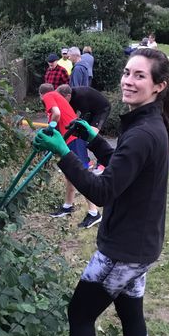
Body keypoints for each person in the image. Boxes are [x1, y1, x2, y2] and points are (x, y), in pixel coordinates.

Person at [33, 48, 169, 336]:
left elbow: (102, 191)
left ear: (159, 85)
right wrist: (94, 139)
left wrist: (62, 153)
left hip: (123, 249)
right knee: (129, 311)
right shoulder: (149, 123)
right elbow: (122, 167)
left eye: (139, 75)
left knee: (80, 315)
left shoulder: (143, 133)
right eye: (127, 73)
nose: (128, 80)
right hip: (142, 245)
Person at [39, 83, 102, 228]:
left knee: (81, 175)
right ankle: (68, 206)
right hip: (70, 139)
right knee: (69, 174)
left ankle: (94, 213)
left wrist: (49, 131)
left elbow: (56, 114)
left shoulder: (49, 96)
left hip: (73, 139)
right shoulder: (57, 97)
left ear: (40, 94)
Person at [56, 85, 111, 176]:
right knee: (81, 135)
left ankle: (102, 164)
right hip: (91, 110)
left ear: (68, 96)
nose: (60, 102)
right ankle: (86, 161)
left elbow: (85, 114)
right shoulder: (70, 99)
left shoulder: (80, 96)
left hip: (101, 110)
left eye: (61, 99)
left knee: (93, 135)